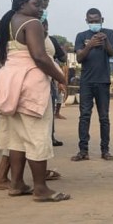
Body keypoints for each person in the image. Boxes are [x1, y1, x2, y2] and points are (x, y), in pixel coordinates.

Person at [0, 0, 69, 201]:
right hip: (30, 81)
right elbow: (40, 56)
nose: (39, 10)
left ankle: (16, 183)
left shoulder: (9, 21)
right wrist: (60, 77)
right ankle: (41, 188)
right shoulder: (32, 23)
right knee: (37, 136)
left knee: (17, 138)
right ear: (22, 3)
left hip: (10, 81)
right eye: (36, 4)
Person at [72, 8, 113, 162]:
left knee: (104, 117)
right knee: (84, 116)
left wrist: (105, 42)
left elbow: (112, 53)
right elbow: (79, 58)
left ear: (102, 20)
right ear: (86, 21)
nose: (94, 23)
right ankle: (83, 150)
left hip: (103, 81)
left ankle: (105, 150)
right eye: (91, 21)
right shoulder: (81, 36)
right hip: (86, 81)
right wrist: (89, 45)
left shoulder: (109, 33)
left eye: (96, 20)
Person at [44, 19, 68, 147]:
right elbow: (62, 57)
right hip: (43, 78)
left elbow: (63, 58)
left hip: (49, 79)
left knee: (49, 109)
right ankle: (48, 137)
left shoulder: (51, 40)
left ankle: (50, 136)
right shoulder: (48, 40)